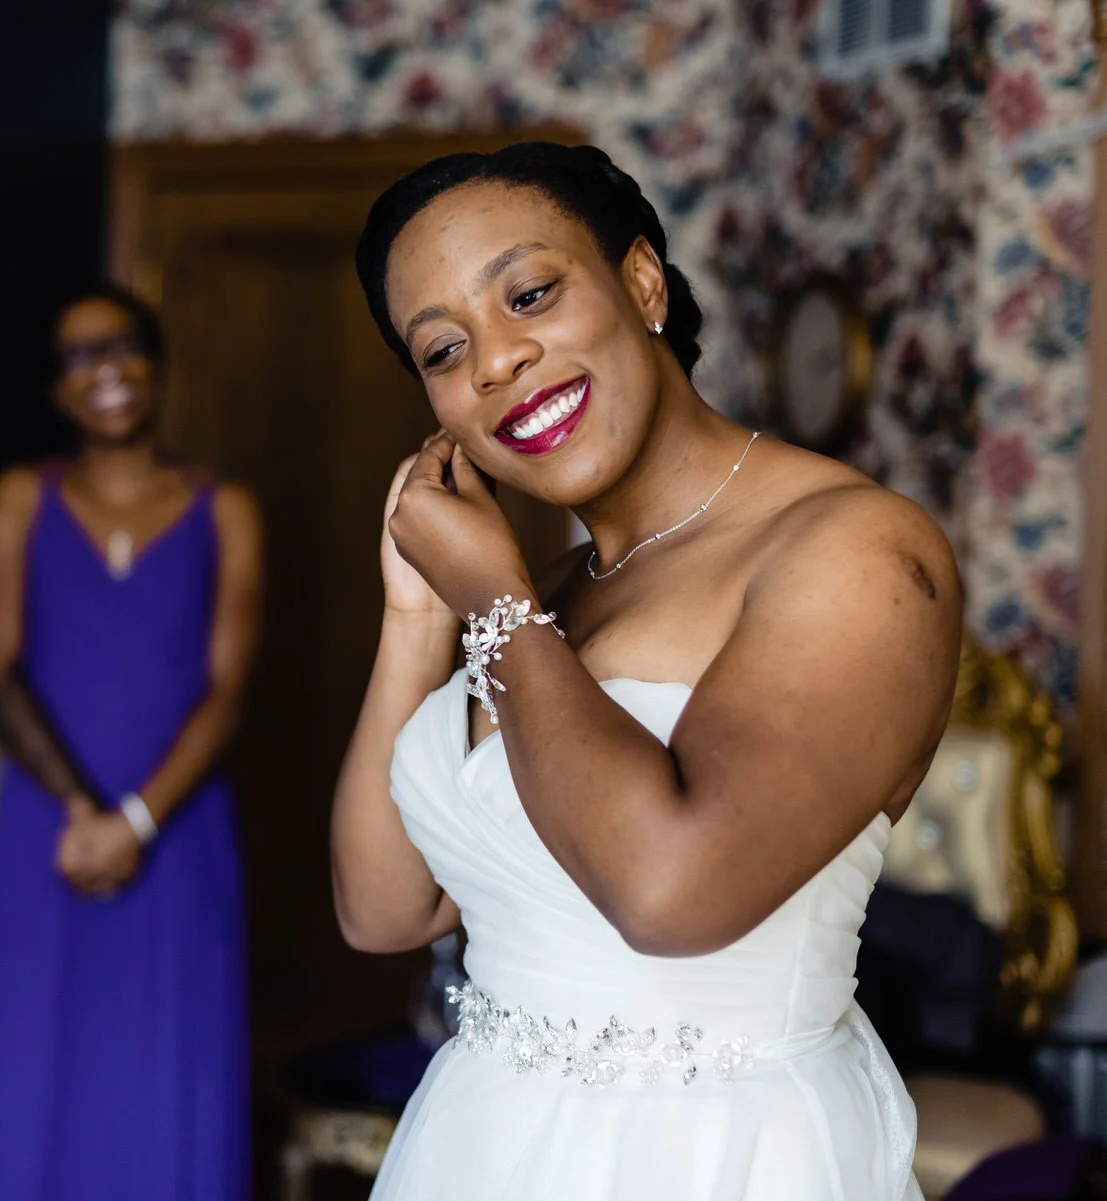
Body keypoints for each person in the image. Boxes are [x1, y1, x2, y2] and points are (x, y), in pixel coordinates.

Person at [331, 143, 961, 1200]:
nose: (495, 362)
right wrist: (416, 613)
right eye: (443, 349)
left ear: (642, 282)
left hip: (721, 1159)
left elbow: (674, 895)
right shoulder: (546, 591)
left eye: (529, 294)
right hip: (482, 1147)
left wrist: (495, 604)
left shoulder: (852, 550)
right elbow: (386, 910)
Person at [0, 284, 261, 1201]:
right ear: (58, 389)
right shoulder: (21, 497)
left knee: (168, 1065)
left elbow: (228, 691)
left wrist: (136, 821)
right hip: (49, 829)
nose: (107, 370)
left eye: (123, 346)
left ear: (157, 366)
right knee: (34, 1063)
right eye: (79, 357)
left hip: (180, 828)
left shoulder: (225, 509)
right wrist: (87, 815)